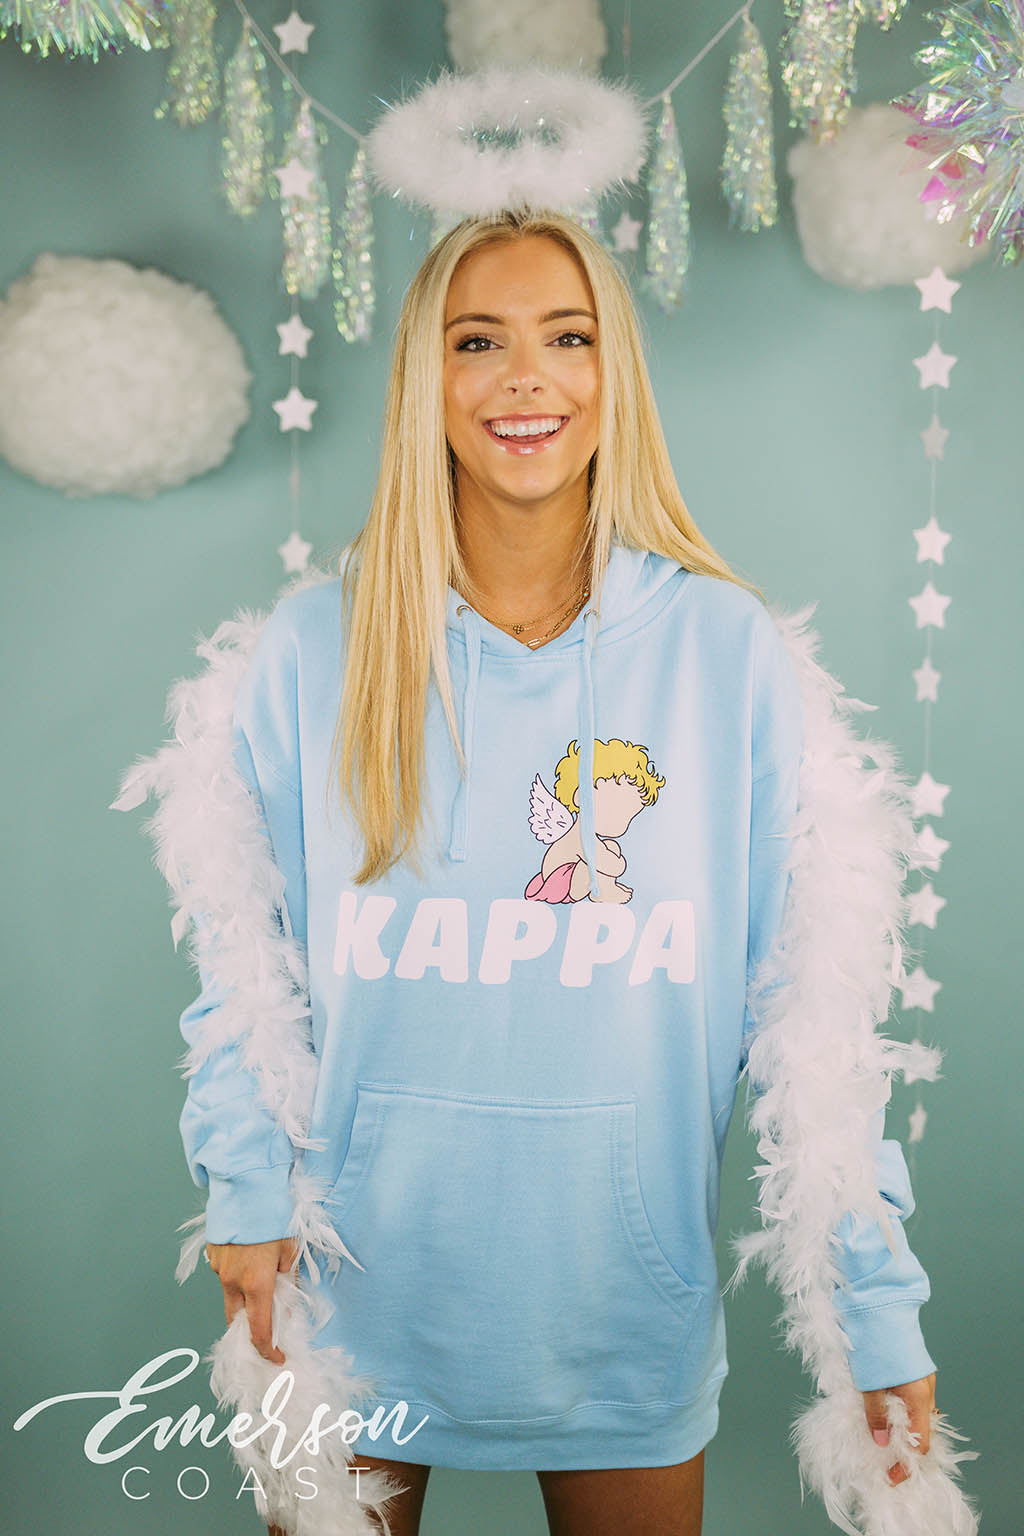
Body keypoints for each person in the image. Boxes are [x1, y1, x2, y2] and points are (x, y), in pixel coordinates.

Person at [182, 210, 937, 1536]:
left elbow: (816, 1017)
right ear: (427, 378)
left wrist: (876, 1307)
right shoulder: (313, 649)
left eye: (568, 336)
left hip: (620, 1304)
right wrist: (243, 1191)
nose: (526, 377)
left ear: (613, 371)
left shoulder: (727, 654)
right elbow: (248, 954)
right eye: (480, 341)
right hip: (348, 1289)